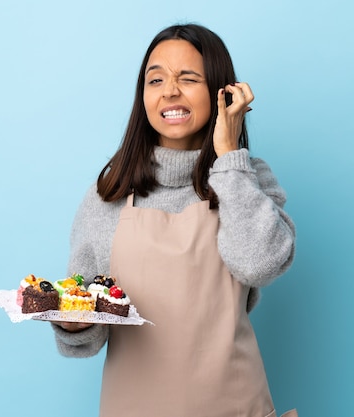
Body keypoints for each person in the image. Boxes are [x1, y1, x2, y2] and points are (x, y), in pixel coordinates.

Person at [51, 23, 298, 417]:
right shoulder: (109, 192)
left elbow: (260, 263)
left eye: (189, 78)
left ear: (221, 92)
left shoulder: (246, 178)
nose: (169, 91)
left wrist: (229, 157)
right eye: (156, 79)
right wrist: (74, 324)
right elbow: (85, 327)